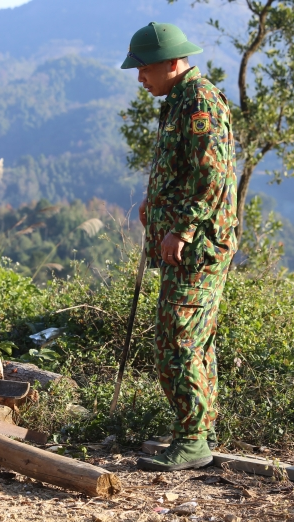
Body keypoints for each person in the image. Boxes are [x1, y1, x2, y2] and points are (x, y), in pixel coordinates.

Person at [121, 22, 238, 471]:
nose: (139, 77)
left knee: (179, 339)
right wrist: (157, 200)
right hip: (188, 245)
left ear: (173, 62)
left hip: (198, 248)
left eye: (145, 68)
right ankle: (197, 431)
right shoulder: (179, 100)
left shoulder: (199, 102)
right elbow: (187, 170)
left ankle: (192, 439)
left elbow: (214, 177)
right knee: (194, 338)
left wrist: (184, 229)